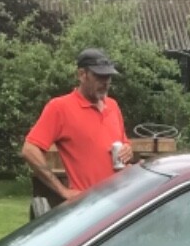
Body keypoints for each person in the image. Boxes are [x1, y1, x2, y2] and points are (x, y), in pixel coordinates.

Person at [22, 48, 134, 204]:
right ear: (82, 75)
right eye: (99, 76)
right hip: (89, 205)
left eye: (108, 77)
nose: (105, 82)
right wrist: (62, 190)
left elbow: (122, 144)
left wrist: (127, 150)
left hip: (121, 202)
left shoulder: (113, 106)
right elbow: (29, 150)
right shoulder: (60, 108)